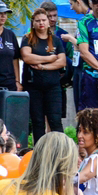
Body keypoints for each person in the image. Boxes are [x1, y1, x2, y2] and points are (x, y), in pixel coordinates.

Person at [19, 8, 66, 144]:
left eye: (44, 20)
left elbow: (62, 62)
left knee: (55, 120)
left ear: (48, 22)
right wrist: (49, 59)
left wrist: (43, 66)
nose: (41, 23)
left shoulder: (55, 40)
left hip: (53, 87)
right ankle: (39, 151)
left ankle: (61, 151)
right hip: (33, 86)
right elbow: (27, 57)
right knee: (37, 121)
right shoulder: (27, 39)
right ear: (33, 23)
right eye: (38, 20)